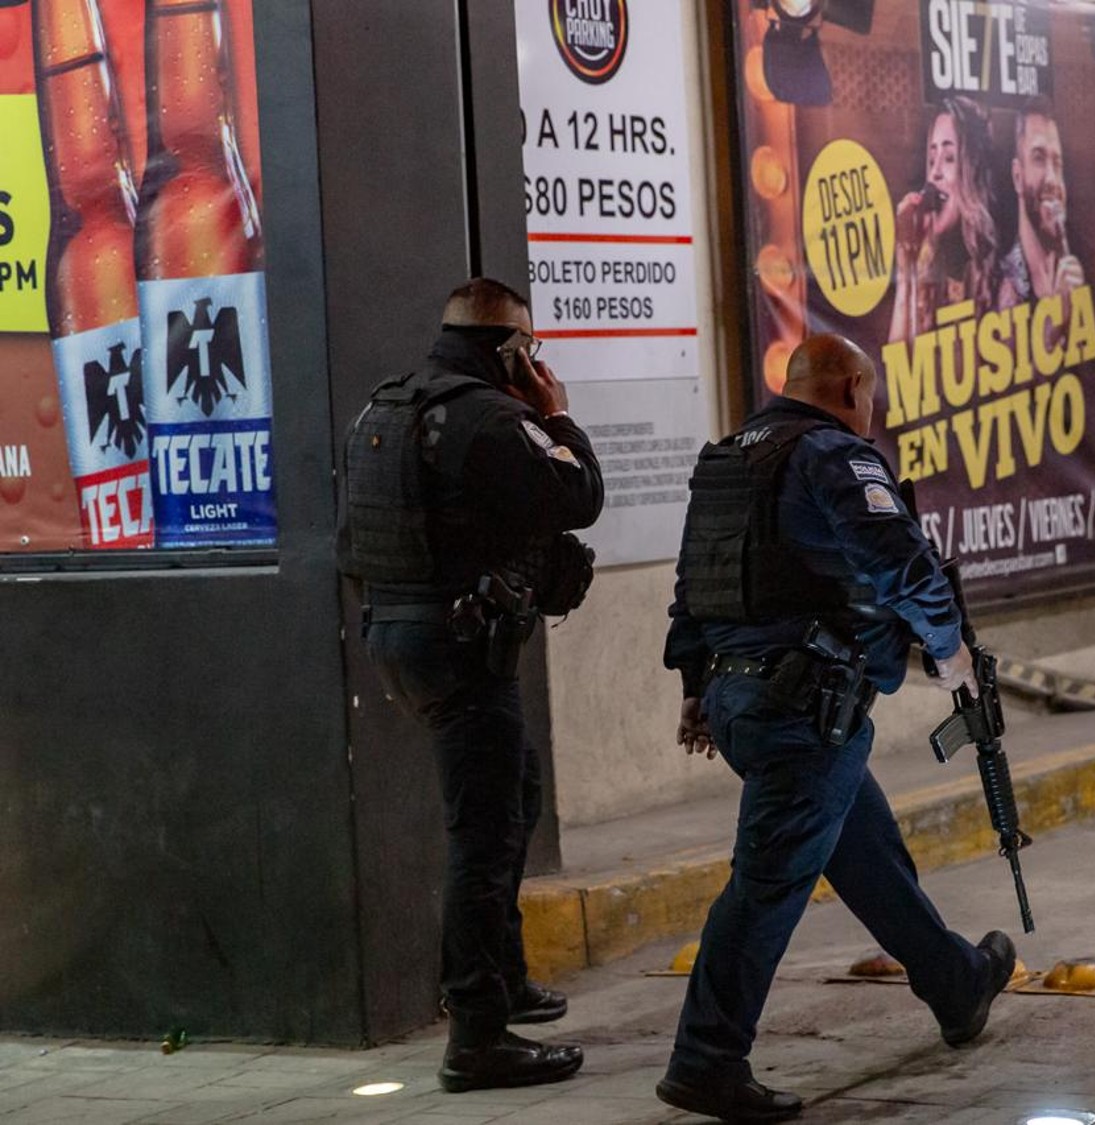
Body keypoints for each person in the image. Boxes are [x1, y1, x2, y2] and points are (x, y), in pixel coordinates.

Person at [656, 333, 1017, 1123]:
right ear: (854, 385)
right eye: (873, 398)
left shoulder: (730, 455)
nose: (873, 415)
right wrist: (951, 654)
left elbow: (694, 583)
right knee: (768, 882)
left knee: (869, 856)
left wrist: (693, 687)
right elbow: (899, 561)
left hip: (742, 700)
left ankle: (957, 986)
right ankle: (707, 1058)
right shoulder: (835, 455)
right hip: (804, 708)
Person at [338, 278, 603, 1093]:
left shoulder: (386, 407)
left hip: (400, 637)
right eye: (531, 347)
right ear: (511, 352)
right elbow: (581, 496)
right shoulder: (494, 419)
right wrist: (556, 413)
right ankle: (478, 1035)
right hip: (462, 648)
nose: (538, 360)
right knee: (482, 837)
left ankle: (507, 974)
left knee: (512, 795)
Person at [889, 96, 1001, 344]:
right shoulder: (927, 262)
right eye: (931, 159)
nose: (935, 172)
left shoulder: (998, 274)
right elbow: (897, 367)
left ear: (973, 172)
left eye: (949, 158)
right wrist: (907, 270)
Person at [998, 100, 1086, 310]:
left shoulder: (1083, 275)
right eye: (1038, 158)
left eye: (1057, 164)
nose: (1052, 179)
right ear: (1018, 177)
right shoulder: (1000, 285)